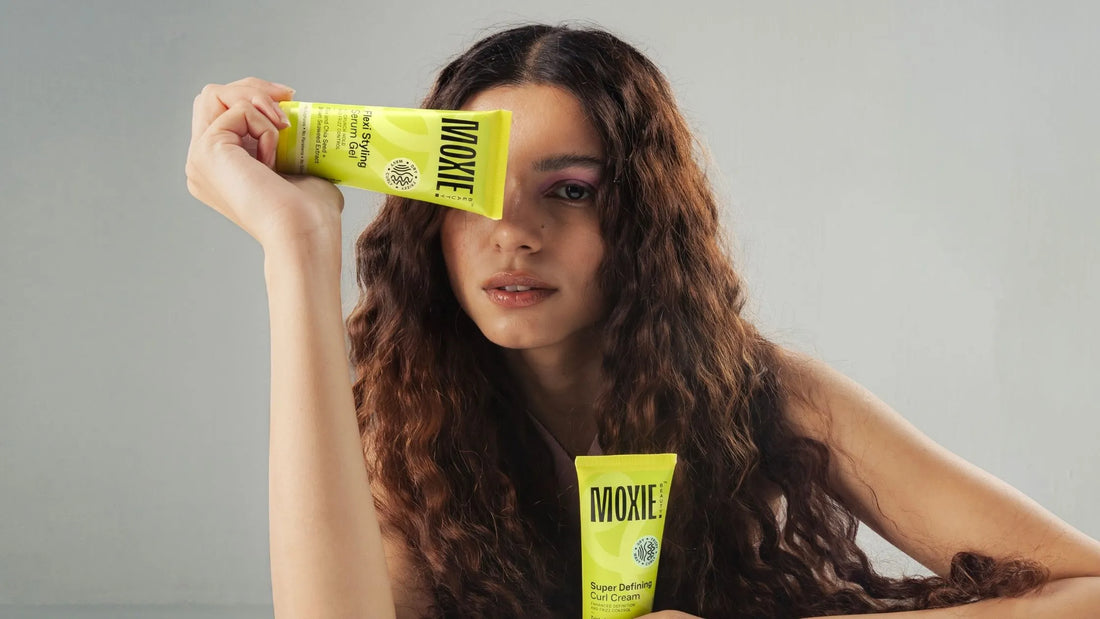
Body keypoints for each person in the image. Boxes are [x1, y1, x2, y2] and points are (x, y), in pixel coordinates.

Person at [186, 24, 1100, 619]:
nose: (513, 233)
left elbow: (1085, 588)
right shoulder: (407, 429)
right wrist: (296, 246)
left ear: (642, 221)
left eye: (571, 191)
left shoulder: (762, 393)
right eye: (469, 192)